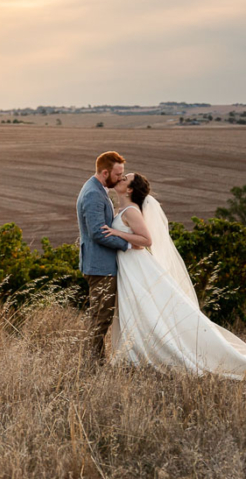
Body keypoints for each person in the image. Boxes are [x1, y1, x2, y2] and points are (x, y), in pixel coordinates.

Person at [101, 172, 246, 380]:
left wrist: (116, 233)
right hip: (130, 268)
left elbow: (145, 241)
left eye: (124, 179)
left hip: (138, 267)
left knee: (149, 311)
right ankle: (134, 355)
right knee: (139, 311)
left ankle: (148, 355)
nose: (120, 179)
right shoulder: (121, 209)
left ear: (130, 189)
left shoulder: (131, 211)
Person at [76, 151, 146, 364]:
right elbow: (98, 232)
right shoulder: (93, 194)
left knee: (101, 316)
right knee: (100, 317)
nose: (120, 178)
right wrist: (127, 243)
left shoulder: (99, 189)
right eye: (118, 174)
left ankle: (95, 359)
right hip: (100, 266)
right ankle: (93, 363)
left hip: (102, 265)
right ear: (105, 172)